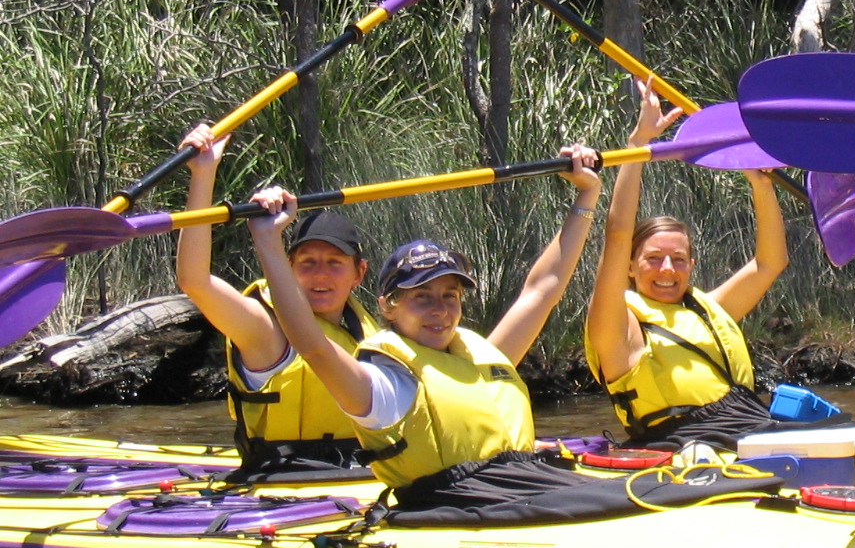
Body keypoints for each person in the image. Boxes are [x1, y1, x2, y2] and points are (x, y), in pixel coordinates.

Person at [244, 145, 602, 494]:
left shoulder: (483, 357)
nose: (440, 310)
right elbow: (313, 345)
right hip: (455, 505)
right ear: (388, 306)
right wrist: (268, 239)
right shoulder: (380, 387)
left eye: (450, 296)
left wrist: (587, 193)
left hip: (524, 487)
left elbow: (542, 290)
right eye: (421, 297)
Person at [584, 79, 789, 449]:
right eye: (653, 259)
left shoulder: (708, 309)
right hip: (681, 440)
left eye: (678, 260)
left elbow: (770, 263)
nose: (667, 269)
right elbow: (617, 234)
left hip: (747, 424)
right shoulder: (619, 329)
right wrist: (636, 147)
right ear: (629, 266)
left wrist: (761, 184)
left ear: (691, 265)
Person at [175, 124, 381, 476]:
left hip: (362, 474)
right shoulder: (267, 330)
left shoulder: (368, 329)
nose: (320, 275)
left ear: (358, 274)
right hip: (282, 477)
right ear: (288, 267)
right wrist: (204, 174)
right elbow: (195, 281)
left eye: (334, 263)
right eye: (307, 263)